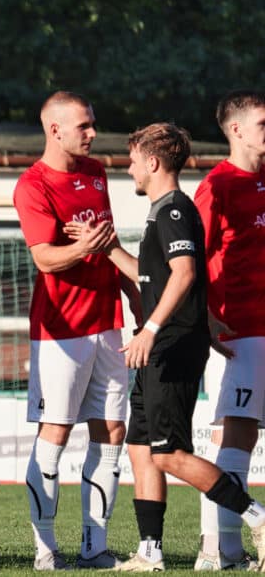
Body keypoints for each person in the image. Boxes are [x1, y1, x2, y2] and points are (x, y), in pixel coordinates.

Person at [73, 122, 265, 571]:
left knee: (169, 454)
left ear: (153, 162)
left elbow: (184, 274)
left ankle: (258, 516)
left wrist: (152, 329)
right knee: (141, 447)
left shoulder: (175, 210)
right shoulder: (161, 211)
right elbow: (154, 275)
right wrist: (106, 248)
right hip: (165, 342)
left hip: (171, 345)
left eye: (134, 160)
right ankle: (150, 551)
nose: (129, 169)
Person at [12, 91, 137, 569]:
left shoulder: (97, 173)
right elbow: (44, 257)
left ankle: (95, 547)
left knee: (112, 431)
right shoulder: (32, 185)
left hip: (108, 324)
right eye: (83, 125)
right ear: (55, 130)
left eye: (92, 123)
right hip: (60, 330)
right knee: (56, 434)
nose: (92, 132)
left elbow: (108, 245)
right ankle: (46, 550)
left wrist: (137, 303)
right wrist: (86, 248)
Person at [194, 90, 265, 570]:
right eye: (264, 122)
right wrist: (203, 318)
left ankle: (225, 548)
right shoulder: (216, 186)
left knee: (244, 437)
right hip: (241, 331)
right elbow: (188, 260)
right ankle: (219, 548)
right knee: (235, 435)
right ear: (236, 129)